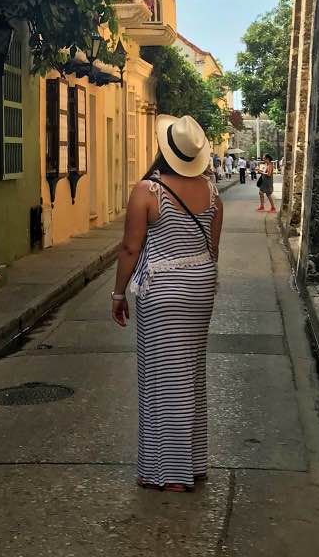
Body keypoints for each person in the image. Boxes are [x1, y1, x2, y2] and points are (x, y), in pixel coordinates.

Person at [111, 114, 224, 492]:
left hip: (163, 288)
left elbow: (131, 247)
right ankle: (191, 463)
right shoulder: (212, 192)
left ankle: (169, 473)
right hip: (200, 283)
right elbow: (213, 247)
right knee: (190, 373)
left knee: (163, 379)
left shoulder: (148, 190)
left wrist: (118, 293)